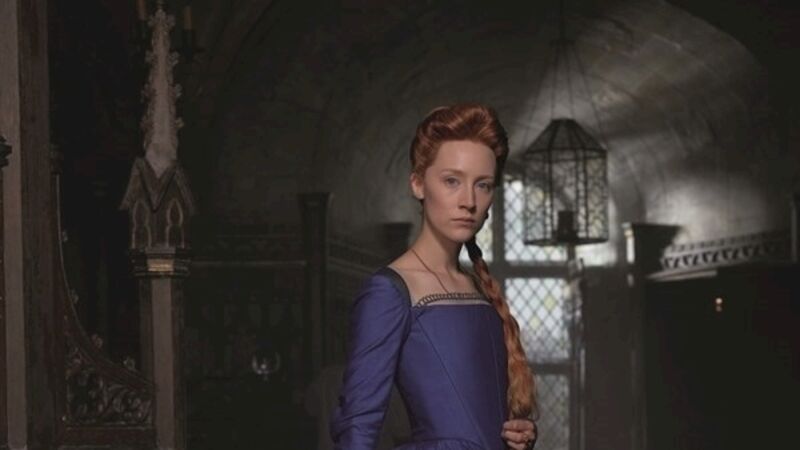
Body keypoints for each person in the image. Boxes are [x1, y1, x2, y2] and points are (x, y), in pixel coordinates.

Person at [330, 104, 539, 450]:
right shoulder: (389, 292)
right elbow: (357, 429)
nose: (469, 201)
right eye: (452, 181)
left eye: (483, 185)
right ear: (418, 184)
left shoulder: (479, 288)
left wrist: (519, 436)